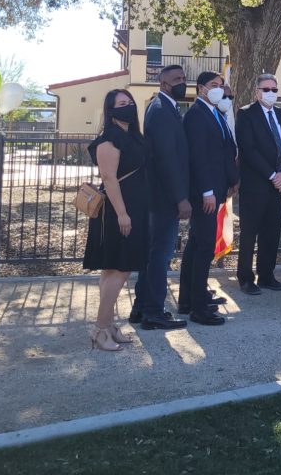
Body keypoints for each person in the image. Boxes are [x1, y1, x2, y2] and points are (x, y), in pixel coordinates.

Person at [84, 89, 150, 350]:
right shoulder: (108, 140)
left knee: (112, 269)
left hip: (135, 208)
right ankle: (100, 329)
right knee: (120, 269)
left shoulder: (132, 136)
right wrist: (123, 214)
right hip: (118, 211)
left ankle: (109, 325)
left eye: (130, 102)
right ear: (111, 110)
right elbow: (110, 179)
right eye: (122, 103)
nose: (129, 106)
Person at [133, 66, 190, 330]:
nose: (182, 83)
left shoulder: (166, 108)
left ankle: (141, 307)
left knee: (154, 253)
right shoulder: (161, 110)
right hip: (163, 198)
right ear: (164, 83)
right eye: (177, 79)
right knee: (160, 255)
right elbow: (167, 159)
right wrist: (181, 198)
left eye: (183, 78)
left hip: (160, 196)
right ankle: (153, 311)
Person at [180, 71, 239, 325]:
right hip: (204, 192)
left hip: (216, 188)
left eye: (221, 85)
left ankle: (190, 297)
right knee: (204, 246)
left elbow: (224, 151)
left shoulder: (215, 112)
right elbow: (198, 156)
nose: (219, 89)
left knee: (197, 244)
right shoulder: (196, 115)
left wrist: (230, 181)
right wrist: (207, 191)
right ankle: (198, 308)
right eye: (214, 85)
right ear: (201, 88)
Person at [235, 73, 281, 294]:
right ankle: (245, 278)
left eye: (274, 89)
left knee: (272, 232)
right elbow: (248, 150)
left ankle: (267, 275)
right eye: (266, 89)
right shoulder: (246, 114)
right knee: (249, 233)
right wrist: (272, 175)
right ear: (257, 92)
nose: (271, 93)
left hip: (277, 186)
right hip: (255, 185)